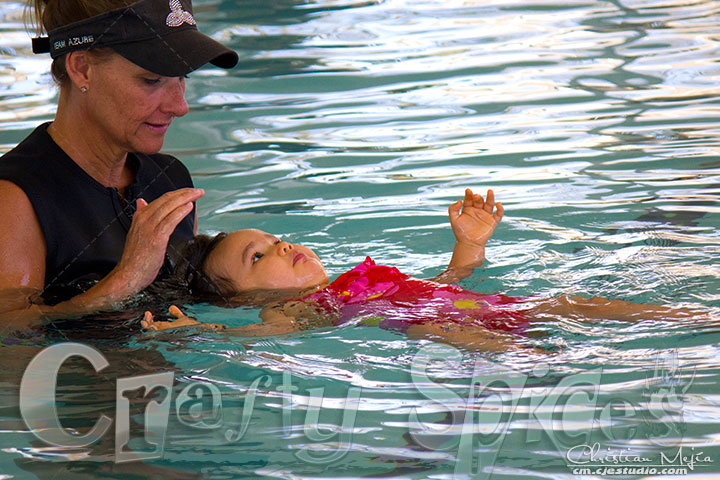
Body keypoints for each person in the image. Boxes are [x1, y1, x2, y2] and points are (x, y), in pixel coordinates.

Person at [142, 189, 701, 352]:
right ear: (242, 295)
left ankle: (696, 316)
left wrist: (468, 250)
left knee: (571, 302)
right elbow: (265, 334)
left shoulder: (353, 278)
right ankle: (560, 363)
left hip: (484, 308)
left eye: (276, 238)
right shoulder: (295, 307)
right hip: (443, 327)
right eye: (258, 257)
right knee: (436, 328)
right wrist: (205, 332)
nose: (283, 246)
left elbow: (445, 288)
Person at [0, 0, 238, 331]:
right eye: (152, 80)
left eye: (181, 77)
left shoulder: (169, 180)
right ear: (81, 67)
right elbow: (9, 342)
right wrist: (124, 281)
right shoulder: (16, 199)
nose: (179, 105)